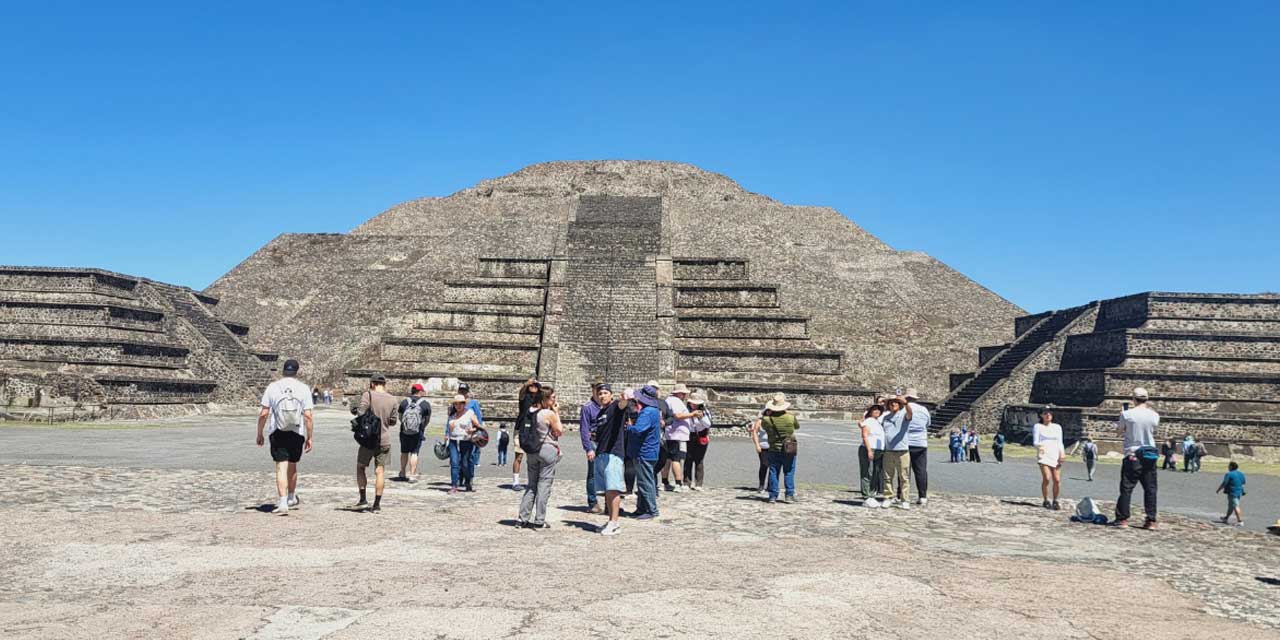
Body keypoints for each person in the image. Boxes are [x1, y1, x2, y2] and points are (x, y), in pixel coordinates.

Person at [255, 358, 314, 515]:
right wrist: (309, 437)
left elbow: (264, 413)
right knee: (293, 465)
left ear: (283, 371)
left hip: (277, 431)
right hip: (297, 432)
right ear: (296, 372)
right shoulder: (303, 388)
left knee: (281, 466)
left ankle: (282, 503)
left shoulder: (273, 387)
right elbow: (308, 416)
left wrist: (259, 433)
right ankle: (291, 497)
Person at [350, 373, 399, 512]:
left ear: (372, 384)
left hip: (368, 440)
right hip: (384, 440)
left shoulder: (368, 395)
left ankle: (363, 499)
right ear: (384, 385)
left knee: (361, 467)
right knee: (380, 471)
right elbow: (393, 421)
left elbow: (361, 412)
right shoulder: (392, 399)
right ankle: (377, 504)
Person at [517, 386, 564, 529]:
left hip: (531, 450)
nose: (554, 400)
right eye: (552, 397)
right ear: (545, 398)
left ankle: (522, 518)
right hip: (547, 449)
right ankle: (539, 520)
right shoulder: (547, 413)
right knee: (544, 485)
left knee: (531, 485)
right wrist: (556, 413)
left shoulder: (529, 411)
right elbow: (559, 431)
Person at [1114, 387, 1160, 529]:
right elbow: (1153, 431)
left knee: (1127, 488)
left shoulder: (1127, 414)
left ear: (1133, 399)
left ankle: (1123, 518)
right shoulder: (1154, 415)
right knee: (1150, 489)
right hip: (1149, 454)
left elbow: (1118, 431)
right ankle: (1151, 520)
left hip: (1133, 454)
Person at [592, 387, 630, 535]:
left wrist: (624, 399)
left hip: (613, 453)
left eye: (605, 393)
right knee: (607, 490)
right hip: (601, 452)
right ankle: (610, 521)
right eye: (600, 393)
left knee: (613, 489)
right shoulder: (601, 413)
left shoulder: (615, 407)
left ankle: (615, 522)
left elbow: (622, 406)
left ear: (611, 395)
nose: (602, 396)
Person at [627, 386, 663, 519]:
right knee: (643, 481)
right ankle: (641, 508)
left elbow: (638, 430)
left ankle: (651, 510)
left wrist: (628, 427)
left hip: (644, 452)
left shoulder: (647, 412)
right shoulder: (653, 410)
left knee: (645, 482)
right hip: (650, 451)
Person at [761, 392, 800, 504]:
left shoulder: (767, 420)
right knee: (789, 471)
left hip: (773, 448)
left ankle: (773, 495)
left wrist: (768, 414)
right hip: (789, 448)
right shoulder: (790, 417)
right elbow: (797, 427)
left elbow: (763, 426)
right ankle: (789, 494)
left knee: (773, 471)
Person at [662, 383, 698, 492]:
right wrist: (693, 414)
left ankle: (665, 481)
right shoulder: (676, 402)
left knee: (668, 459)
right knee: (676, 458)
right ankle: (678, 483)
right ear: (680, 394)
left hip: (670, 433)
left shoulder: (668, 400)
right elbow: (677, 415)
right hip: (676, 434)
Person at [580, 383, 607, 514]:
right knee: (592, 474)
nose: (600, 393)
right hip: (594, 442)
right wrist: (588, 448)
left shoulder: (608, 406)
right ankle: (592, 502)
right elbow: (584, 429)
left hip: (606, 442)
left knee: (608, 472)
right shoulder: (587, 408)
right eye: (598, 391)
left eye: (602, 390)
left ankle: (609, 502)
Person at [881, 395, 912, 508]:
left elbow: (910, 414)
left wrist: (906, 403)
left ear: (899, 405)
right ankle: (888, 497)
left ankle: (905, 499)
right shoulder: (886, 417)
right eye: (891, 403)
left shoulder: (903, 415)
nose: (893, 404)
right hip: (889, 450)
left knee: (904, 477)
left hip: (902, 450)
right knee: (887, 476)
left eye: (896, 403)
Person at [396, 383, 431, 482]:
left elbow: (400, 417)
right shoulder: (425, 404)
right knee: (414, 453)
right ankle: (412, 474)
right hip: (417, 431)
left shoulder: (404, 402)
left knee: (404, 452)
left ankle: (402, 472)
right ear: (420, 392)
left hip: (404, 431)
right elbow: (427, 419)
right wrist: (421, 427)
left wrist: (406, 426)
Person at [447, 394, 481, 494]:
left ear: (464, 404)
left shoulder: (470, 413)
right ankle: (454, 485)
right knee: (454, 463)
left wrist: (472, 430)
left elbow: (478, 426)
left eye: (460, 404)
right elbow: (448, 427)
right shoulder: (451, 414)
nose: (458, 406)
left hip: (466, 441)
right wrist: (449, 431)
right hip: (453, 440)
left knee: (465, 463)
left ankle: (468, 481)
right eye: (456, 404)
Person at [1033, 407, 1065, 510]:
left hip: (1055, 454)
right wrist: (1039, 447)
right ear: (1041, 415)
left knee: (1057, 479)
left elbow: (1060, 442)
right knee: (1046, 478)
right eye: (1045, 413)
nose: (1048, 415)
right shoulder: (1038, 426)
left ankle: (1055, 500)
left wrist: (1062, 454)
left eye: (1049, 413)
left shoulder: (1057, 427)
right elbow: (1035, 441)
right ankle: (1046, 499)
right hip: (1044, 454)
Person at [511, 379, 541, 490]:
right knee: (518, 456)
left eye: (535, 386)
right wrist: (526, 384)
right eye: (531, 385)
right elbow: (521, 392)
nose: (533, 387)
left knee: (533, 458)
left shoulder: (539, 400)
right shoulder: (524, 397)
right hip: (521, 429)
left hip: (533, 431)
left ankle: (532, 481)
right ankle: (515, 482)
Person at [903, 388, 931, 506]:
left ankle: (902, 494)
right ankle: (922, 495)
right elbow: (928, 424)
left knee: (904, 470)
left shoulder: (903, 409)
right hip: (921, 443)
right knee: (921, 470)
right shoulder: (924, 410)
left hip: (906, 442)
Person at [858, 403, 886, 508]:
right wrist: (869, 450)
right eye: (874, 410)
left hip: (879, 450)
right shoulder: (868, 421)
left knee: (875, 472)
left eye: (878, 410)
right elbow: (864, 436)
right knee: (867, 473)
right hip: (869, 449)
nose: (877, 411)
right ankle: (866, 496)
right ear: (870, 411)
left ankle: (872, 494)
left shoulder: (878, 422)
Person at [683, 391, 712, 490]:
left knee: (699, 460)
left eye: (696, 403)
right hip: (689, 435)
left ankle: (698, 483)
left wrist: (700, 417)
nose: (694, 405)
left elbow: (708, 424)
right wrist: (691, 415)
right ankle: (687, 482)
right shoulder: (685, 410)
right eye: (692, 403)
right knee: (688, 459)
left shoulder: (705, 412)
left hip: (701, 435)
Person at [455, 382, 484, 473]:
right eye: (461, 391)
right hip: (457, 432)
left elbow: (478, 418)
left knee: (469, 456)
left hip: (470, 433)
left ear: (467, 392)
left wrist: (478, 430)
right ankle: (460, 477)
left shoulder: (473, 403)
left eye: (464, 391)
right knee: (458, 456)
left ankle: (469, 477)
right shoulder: (455, 402)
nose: (462, 393)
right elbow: (451, 418)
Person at [749, 408, 770, 498]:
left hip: (773, 446)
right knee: (764, 464)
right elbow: (754, 432)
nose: (770, 412)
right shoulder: (760, 421)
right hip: (763, 446)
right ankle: (761, 485)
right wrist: (757, 445)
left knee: (773, 466)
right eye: (768, 411)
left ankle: (770, 485)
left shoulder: (776, 420)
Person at [1217, 461, 1246, 527]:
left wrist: (1219, 489)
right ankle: (1226, 518)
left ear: (1231, 467)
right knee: (1231, 506)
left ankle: (1240, 521)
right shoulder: (1241, 474)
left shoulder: (1229, 474)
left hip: (1233, 492)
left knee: (1235, 506)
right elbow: (1243, 483)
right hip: (1239, 492)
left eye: (1229, 466)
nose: (1228, 467)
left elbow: (1224, 483)